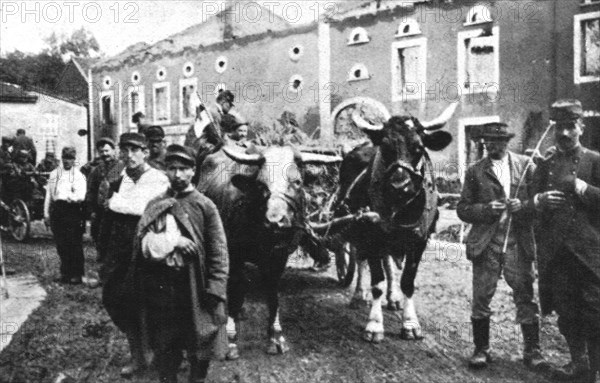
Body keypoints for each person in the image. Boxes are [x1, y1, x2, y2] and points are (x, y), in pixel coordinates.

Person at [130, 144, 228, 383]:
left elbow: (219, 251)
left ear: (193, 171)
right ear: (165, 171)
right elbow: (142, 243)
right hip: (161, 286)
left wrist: (215, 288)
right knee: (165, 344)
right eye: (172, 168)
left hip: (195, 285)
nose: (178, 174)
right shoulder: (155, 203)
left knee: (200, 340)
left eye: (183, 168)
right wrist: (173, 241)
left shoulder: (205, 206)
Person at [457, 122, 547, 370]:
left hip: (517, 244)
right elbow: (462, 208)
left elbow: (537, 205)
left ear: (508, 142)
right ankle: (481, 350)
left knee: (526, 297)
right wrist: (486, 210)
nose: (493, 147)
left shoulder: (525, 166)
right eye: (488, 143)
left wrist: (523, 205)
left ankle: (532, 351)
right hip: (487, 245)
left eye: (499, 142)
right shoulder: (475, 171)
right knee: (481, 298)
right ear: (483, 143)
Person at [531, 99, 600, 383]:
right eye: (560, 127)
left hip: (589, 254)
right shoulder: (544, 164)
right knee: (567, 312)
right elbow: (527, 203)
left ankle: (595, 369)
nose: (565, 133)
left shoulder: (594, 161)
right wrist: (540, 200)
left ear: (581, 128)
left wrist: (584, 188)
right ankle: (578, 364)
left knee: (595, 312)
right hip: (557, 254)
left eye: (571, 127)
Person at [99, 132, 169, 378]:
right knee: (121, 301)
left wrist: (117, 203)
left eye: (135, 150)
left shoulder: (159, 179)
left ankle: (162, 354)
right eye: (125, 150)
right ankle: (138, 356)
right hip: (122, 254)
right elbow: (106, 217)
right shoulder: (119, 180)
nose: (129, 156)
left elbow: (146, 208)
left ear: (146, 152)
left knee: (155, 305)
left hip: (150, 253)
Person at [44, 147, 87, 285]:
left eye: (70, 158)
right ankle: (65, 272)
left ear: (74, 160)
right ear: (61, 158)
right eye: (65, 158)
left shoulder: (79, 176)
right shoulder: (54, 174)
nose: (67, 161)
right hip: (58, 210)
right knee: (61, 243)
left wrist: (72, 197)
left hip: (72, 211)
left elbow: (81, 195)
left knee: (74, 243)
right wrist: (46, 213)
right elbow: (49, 195)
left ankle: (77, 274)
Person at [85, 138, 124, 245]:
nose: (104, 154)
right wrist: (92, 210)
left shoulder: (121, 167)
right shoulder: (96, 170)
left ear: (114, 150)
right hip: (100, 212)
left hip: (117, 211)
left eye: (107, 151)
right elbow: (91, 191)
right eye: (101, 151)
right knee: (100, 238)